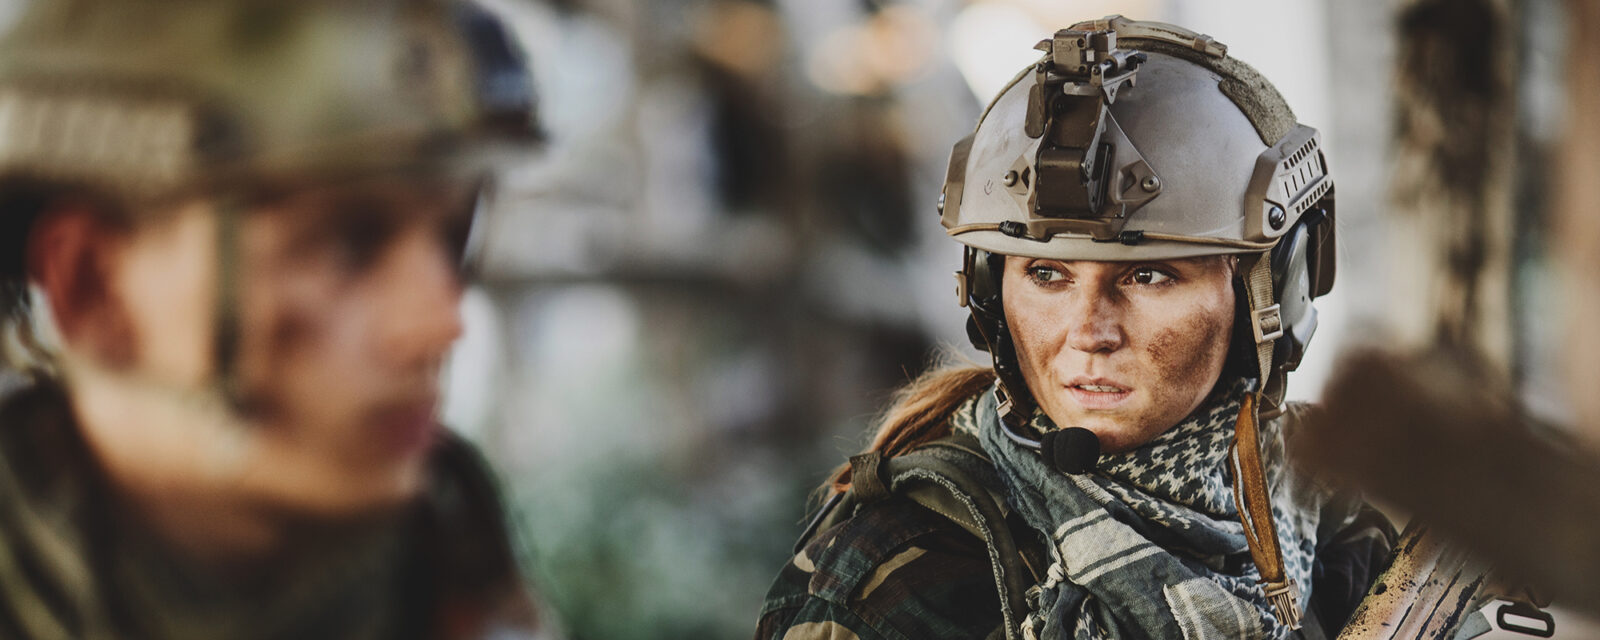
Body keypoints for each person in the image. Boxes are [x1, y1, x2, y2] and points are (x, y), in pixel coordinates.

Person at [755, 16, 1394, 640]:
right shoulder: (897, 582)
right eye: (1047, 275)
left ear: (1272, 291)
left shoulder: (1334, 511)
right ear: (987, 292)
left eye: (1149, 277)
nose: (1088, 333)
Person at [0, 0, 548, 638]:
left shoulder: (459, 569)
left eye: (454, 235)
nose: (440, 324)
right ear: (94, 290)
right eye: (350, 242)